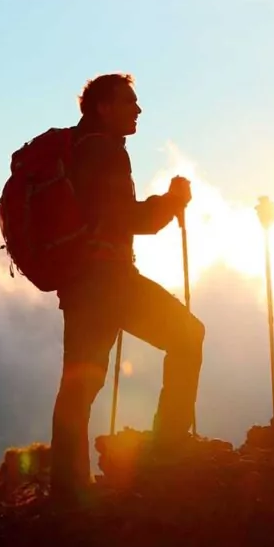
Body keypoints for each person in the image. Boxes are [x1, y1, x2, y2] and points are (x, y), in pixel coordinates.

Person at [51, 73, 205, 508]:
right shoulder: (104, 151)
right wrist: (173, 201)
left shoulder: (77, 150)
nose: (137, 110)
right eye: (128, 102)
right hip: (109, 281)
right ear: (103, 107)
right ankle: (168, 447)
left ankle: (67, 491)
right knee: (188, 336)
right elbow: (127, 219)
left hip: (80, 285)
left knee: (79, 385)